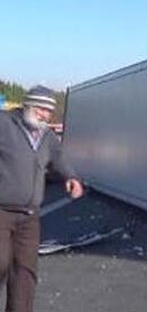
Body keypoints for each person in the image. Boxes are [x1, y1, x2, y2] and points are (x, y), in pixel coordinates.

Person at [0, 86, 84, 312]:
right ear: (27, 105)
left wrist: (70, 176)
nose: (45, 114)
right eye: (41, 108)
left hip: (30, 216)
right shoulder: (4, 124)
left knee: (25, 273)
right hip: (2, 211)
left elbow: (58, 157)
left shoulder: (46, 135)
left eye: (48, 110)